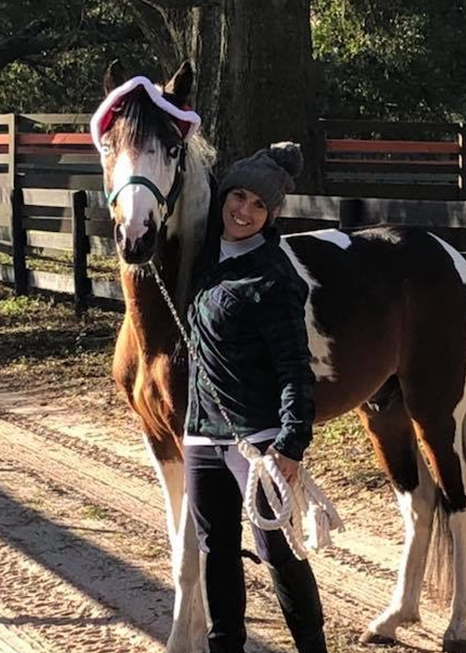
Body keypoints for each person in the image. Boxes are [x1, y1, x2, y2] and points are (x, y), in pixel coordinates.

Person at [184, 141, 327, 653]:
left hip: (260, 439)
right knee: (215, 549)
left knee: (278, 550)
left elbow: (295, 369)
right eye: (237, 196)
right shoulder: (205, 254)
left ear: (272, 215)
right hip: (201, 434)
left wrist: (290, 444)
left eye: (258, 205)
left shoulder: (273, 277)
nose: (243, 210)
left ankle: (313, 647)